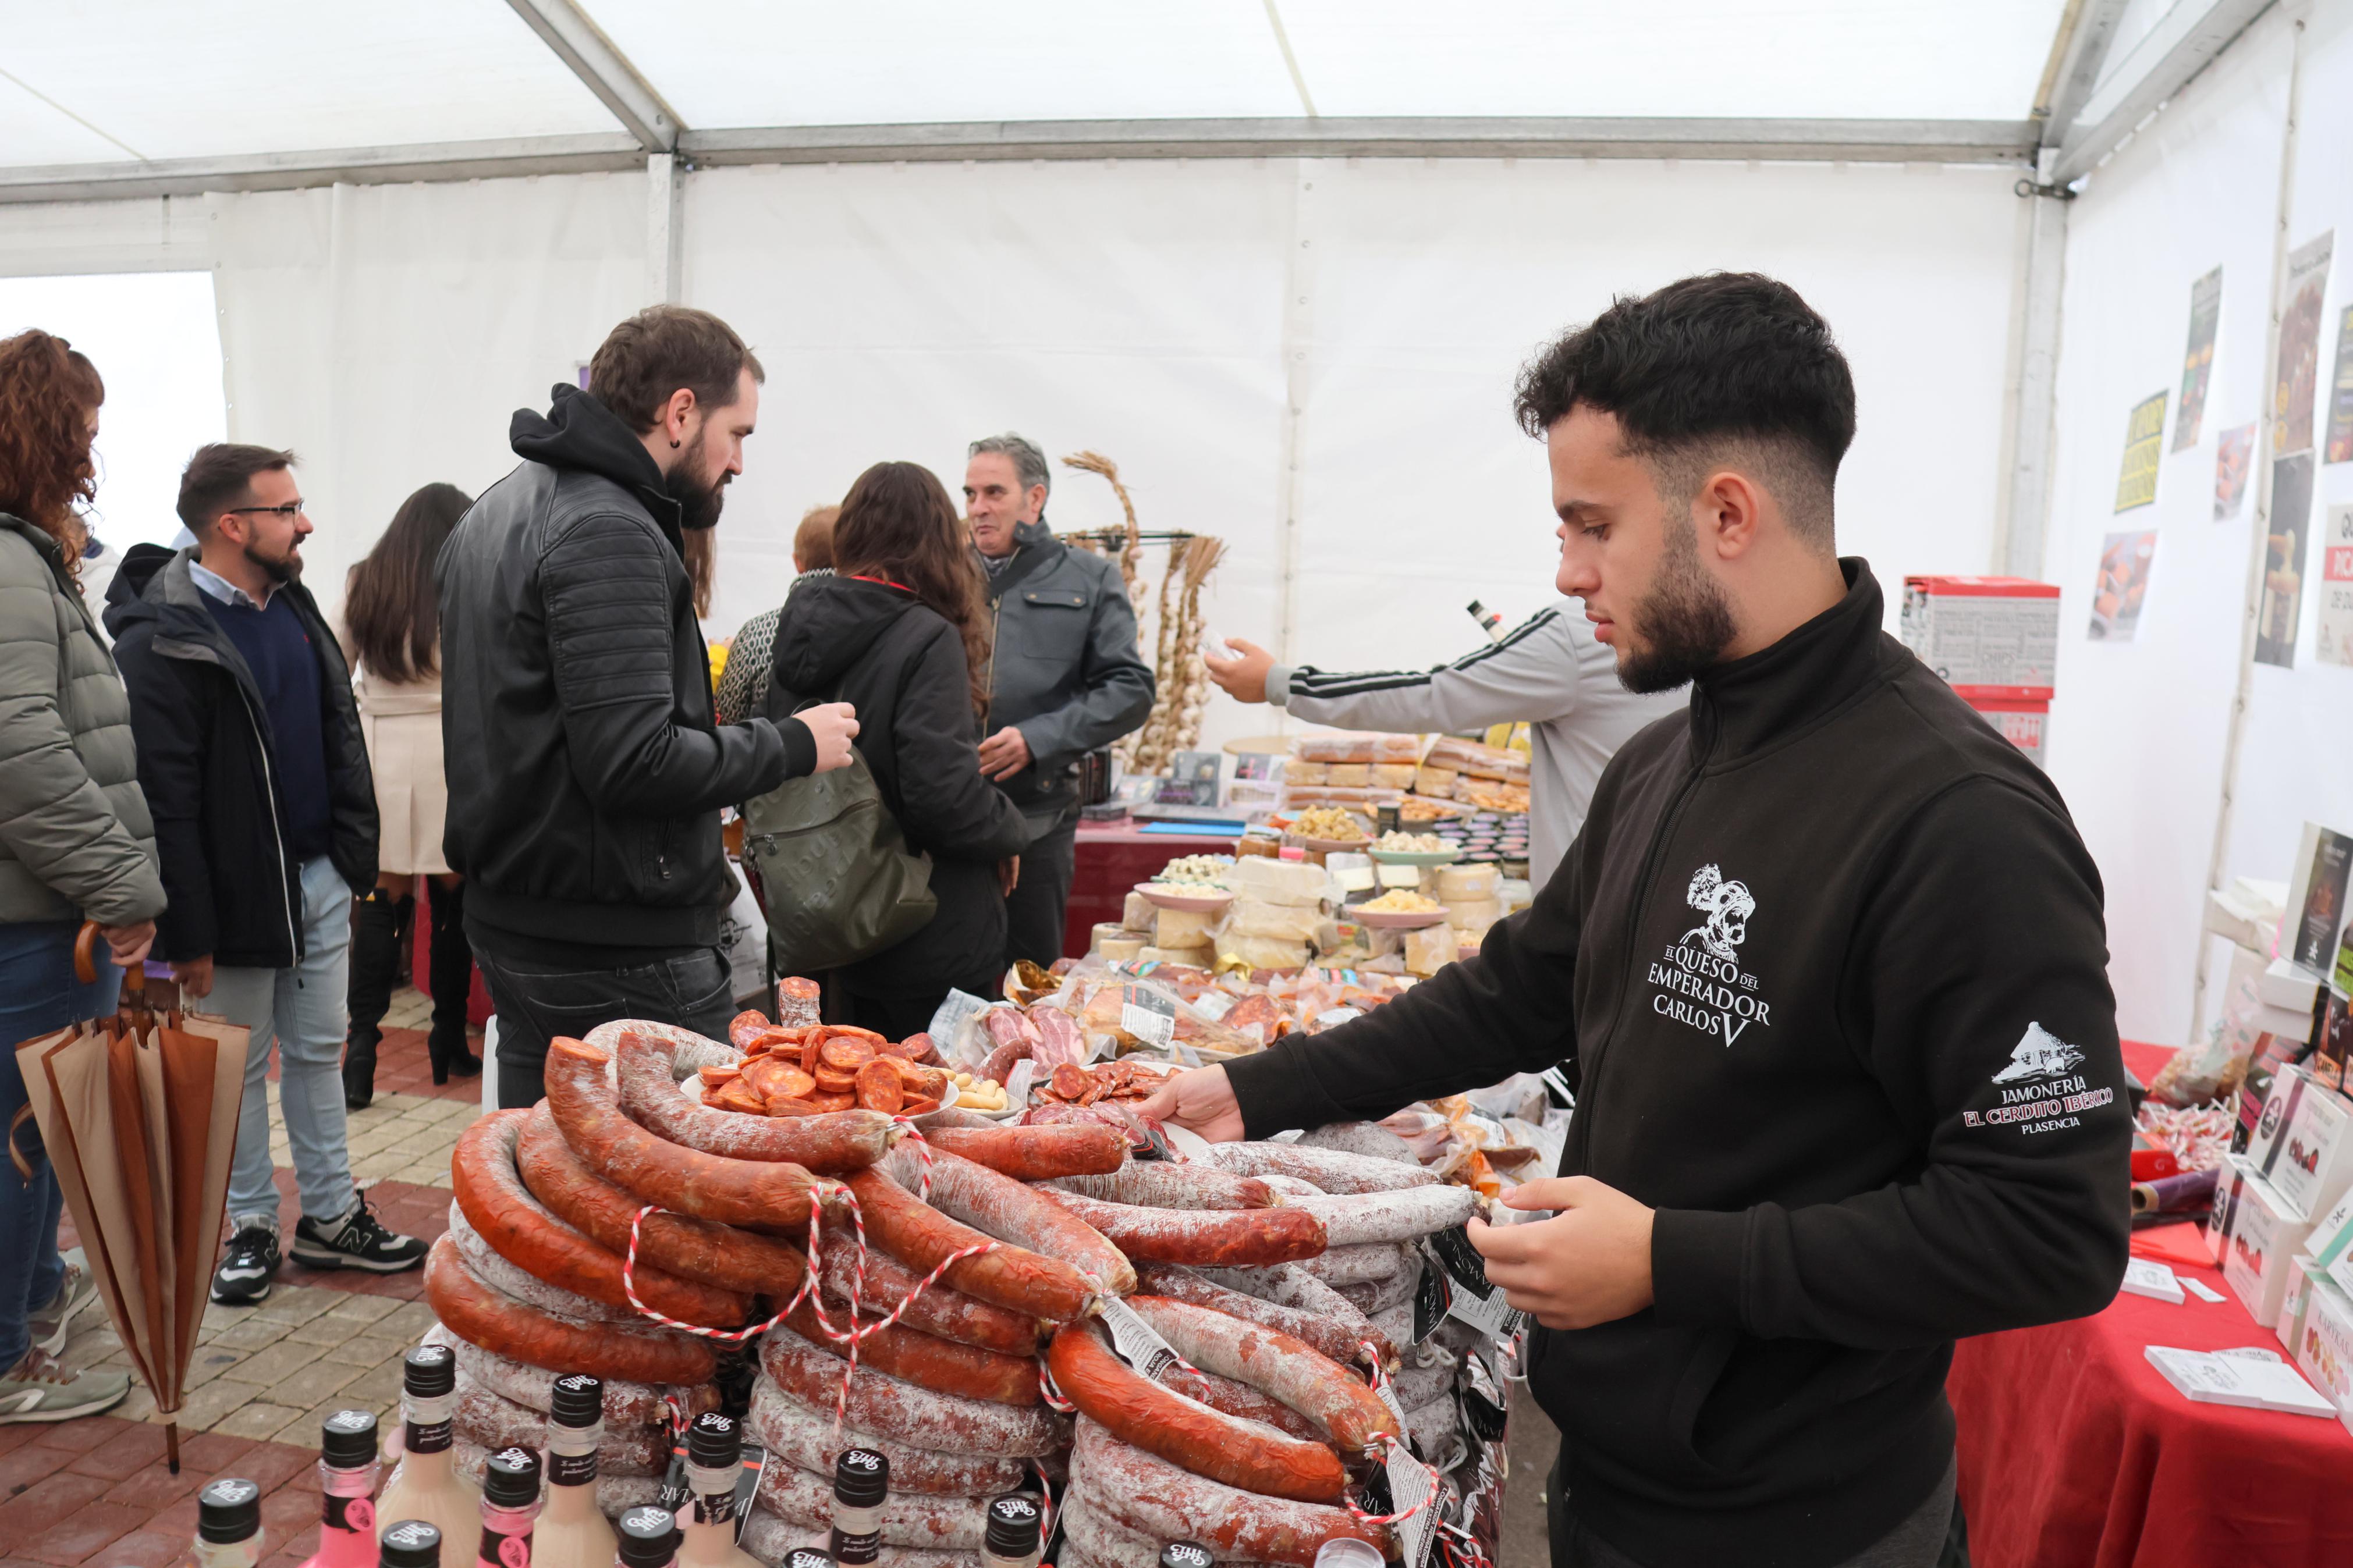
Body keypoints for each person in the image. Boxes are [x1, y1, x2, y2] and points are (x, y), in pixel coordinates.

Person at [1142, 274, 2128, 1568]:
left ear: (1725, 511)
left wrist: (1669, 1261)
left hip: (1805, 1525)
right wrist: (1248, 1088)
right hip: (1613, 1484)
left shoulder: (1958, 820)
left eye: (1591, 526)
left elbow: (2048, 1231)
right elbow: (1519, 989)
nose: (1564, 573)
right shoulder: (1661, 763)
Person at [438, 305, 860, 1107]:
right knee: (671, 1204)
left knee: (554, 1179)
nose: (737, 463)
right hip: (609, 945)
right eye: (736, 434)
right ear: (678, 413)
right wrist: (791, 742)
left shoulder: (497, 510)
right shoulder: (606, 528)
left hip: (527, 919)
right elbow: (634, 758)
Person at [108, 444, 427, 1306]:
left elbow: (334, 722)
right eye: (287, 510)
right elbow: (164, 799)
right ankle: (251, 1225)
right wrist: (190, 934)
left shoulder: (293, 603)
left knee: (318, 1054)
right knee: (235, 1067)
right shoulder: (163, 635)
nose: (307, 522)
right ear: (232, 525)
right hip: (234, 896)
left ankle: (328, 1217)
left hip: (320, 876)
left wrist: (352, 853)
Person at [0, 330, 163, 1421]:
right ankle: (9, 1356)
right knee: (23, 1136)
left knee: (32, 1130)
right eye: (87, 428)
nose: (95, 450)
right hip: (38, 916)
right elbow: (20, 743)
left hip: (40, 908)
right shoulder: (11, 561)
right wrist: (122, 886)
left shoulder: (24, 554)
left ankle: (33, 1300)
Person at [766, 463, 1030, 1036]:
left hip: (831, 920)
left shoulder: (796, 629)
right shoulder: (924, 635)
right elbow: (941, 797)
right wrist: (1008, 830)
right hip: (924, 928)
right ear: (937, 541)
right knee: (941, 1110)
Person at [1204, 608, 1682, 888]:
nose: (1565, 557)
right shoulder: (1712, 628)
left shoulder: (1577, 633)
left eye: (1588, 525)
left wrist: (1280, 683)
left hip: (1591, 903)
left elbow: (1434, 693)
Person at [962, 433, 1153, 965]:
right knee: (948, 982)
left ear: (1035, 498)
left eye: (994, 492)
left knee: (1028, 983)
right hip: (949, 817)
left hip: (1037, 817)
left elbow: (1130, 689)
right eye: (971, 493)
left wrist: (1039, 737)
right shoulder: (945, 574)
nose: (979, 508)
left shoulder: (1090, 578)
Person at [339, 482, 480, 1108]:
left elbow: (334, 668)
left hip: (382, 756)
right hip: (452, 753)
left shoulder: (365, 581)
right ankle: (446, 1039)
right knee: (453, 900)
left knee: (380, 898)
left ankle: (361, 1050)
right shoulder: (468, 580)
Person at [715, 502, 836, 726]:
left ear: (797, 562)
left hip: (770, 755)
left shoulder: (757, 633)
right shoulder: (876, 629)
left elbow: (727, 721)